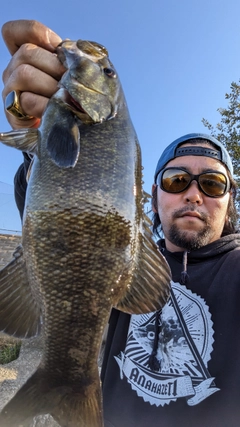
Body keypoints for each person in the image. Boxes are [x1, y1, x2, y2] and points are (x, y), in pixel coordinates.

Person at [2, 19, 240, 427]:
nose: (194, 194)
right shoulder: (133, 265)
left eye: (213, 183)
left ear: (231, 199)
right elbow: (54, 219)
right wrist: (39, 143)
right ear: (150, 193)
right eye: (177, 179)